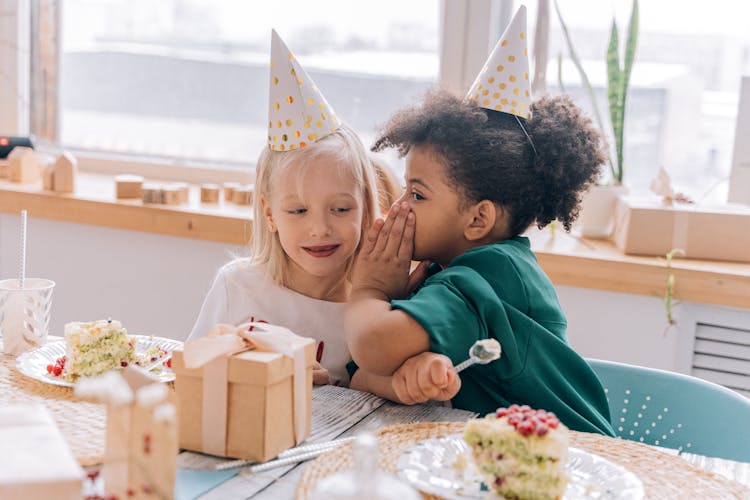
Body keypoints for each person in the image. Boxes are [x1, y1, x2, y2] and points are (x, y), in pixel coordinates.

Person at [345, 7, 615, 435]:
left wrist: (370, 289)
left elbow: (373, 345)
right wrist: (403, 375)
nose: (399, 206)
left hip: (571, 461)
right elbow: (359, 371)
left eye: (417, 194)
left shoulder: (488, 276)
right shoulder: (453, 271)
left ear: (478, 219)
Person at [189, 30, 380, 387]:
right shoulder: (238, 287)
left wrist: (333, 387)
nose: (320, 228)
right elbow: (191, 372)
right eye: (298, 211)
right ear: (269, 214)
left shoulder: (374, 308)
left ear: (366, 210)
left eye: (340, 209)